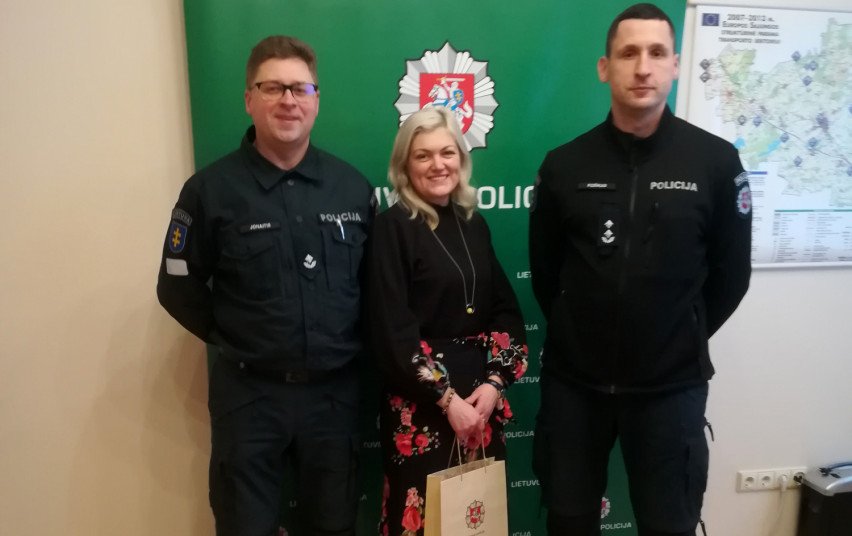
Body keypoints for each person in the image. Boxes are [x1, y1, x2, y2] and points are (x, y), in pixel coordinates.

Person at [529, 4, 752, 535]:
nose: (643, 67)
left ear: (676, 64)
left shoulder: (716, 163)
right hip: (575, 386)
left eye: (656, 53)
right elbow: (545, 272)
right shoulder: (564, 165)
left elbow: (731, 277)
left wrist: (677, 334)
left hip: (669, 390)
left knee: (669, 524)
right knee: (568, 520)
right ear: (605, 67)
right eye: (629, 53)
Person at [157, 35, 374, 536]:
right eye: (272, 87)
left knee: (335, 525)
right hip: (249, 397)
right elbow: (176, 286)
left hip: (334, 398)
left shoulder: (351, 188)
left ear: (316, 99)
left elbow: (373, 289)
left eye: (300, 88)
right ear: (248, 99)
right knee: (245, 526)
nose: (288, 100)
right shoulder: (210, 191)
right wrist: (237, 335)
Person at [367, 106, 528, 536]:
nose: (438, 164)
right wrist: (447, 400)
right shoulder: (392, 229)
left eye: (447, 152)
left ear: (461, 158)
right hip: (423, 409)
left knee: (476, 522)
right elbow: (391, 331)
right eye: (423, 155)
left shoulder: (474, 224)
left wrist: (494, 385)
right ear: (405, 165)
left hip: (480, 405)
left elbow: (506, 311)